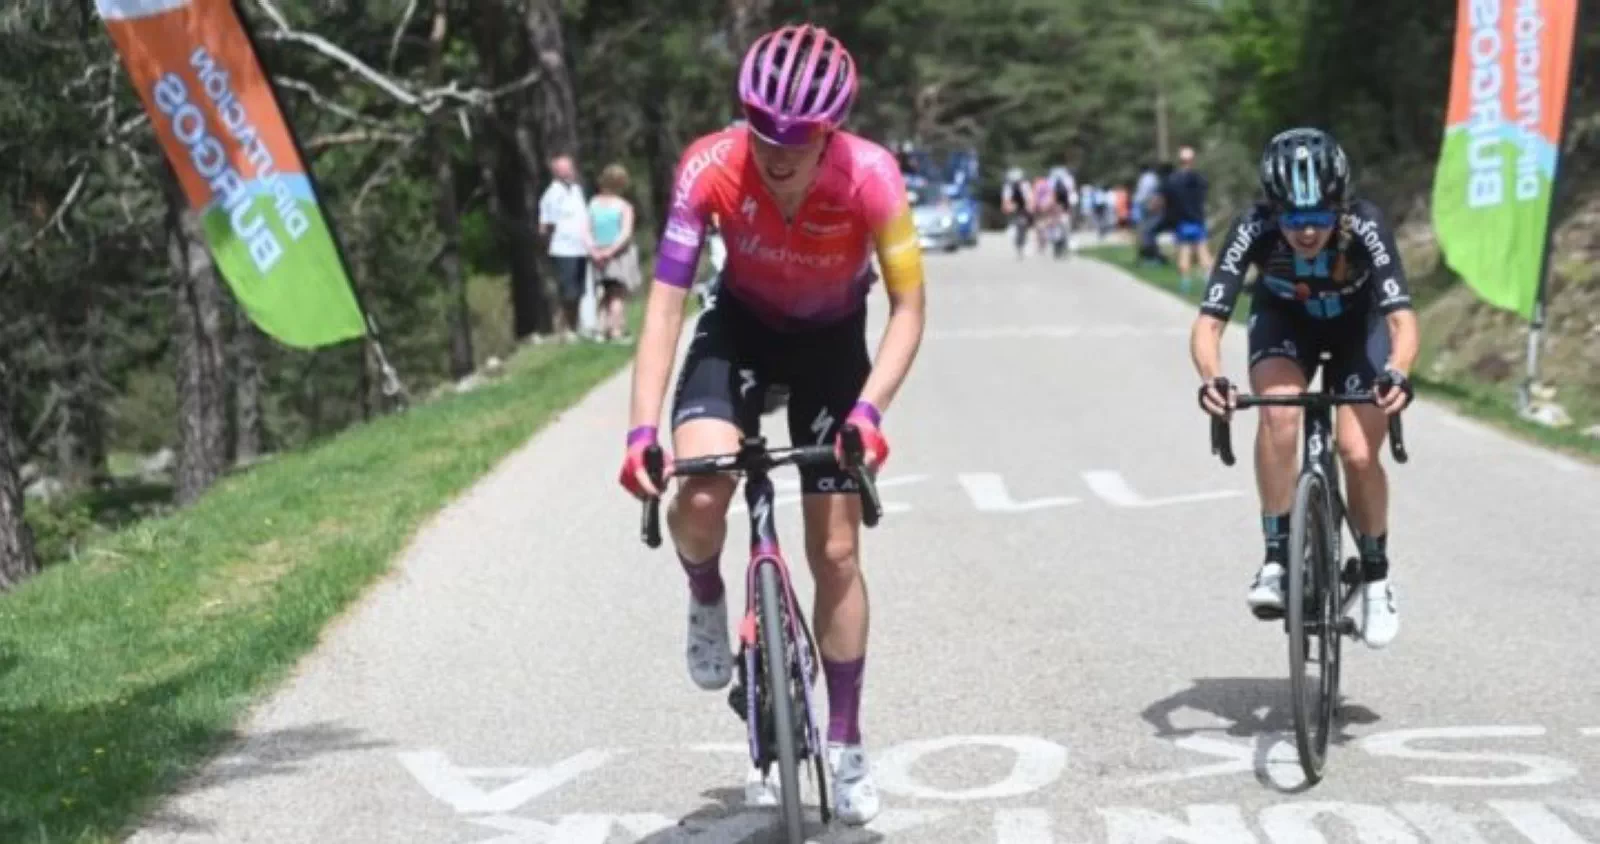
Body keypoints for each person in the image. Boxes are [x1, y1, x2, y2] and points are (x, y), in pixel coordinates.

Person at [616, 23, 926, 824]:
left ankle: (849, 742)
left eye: (799, 139)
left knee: (835, 551)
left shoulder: (873, 179)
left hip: (831, 340)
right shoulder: (709, 169)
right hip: (740, 327)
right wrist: (639, 429)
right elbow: (664, 305)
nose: (778, 153)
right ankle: (705, 588)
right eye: (763, 133)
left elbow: (909, 306)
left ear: (832, 131)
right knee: (702, 491)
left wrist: (869, 411)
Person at [1190, 127, 1418, 650]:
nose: (1307, 233)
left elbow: (1402, 319)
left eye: (1318, 218)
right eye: (1294, 219)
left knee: (1358, 453)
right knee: (1278, 414)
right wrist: (1212, 379)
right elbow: (1209, 323)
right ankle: (1276, 559)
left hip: (1358, 329)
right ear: (1275, 210)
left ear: (1339, 207)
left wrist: (1399, 373)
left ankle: (1378, 579)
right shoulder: (1251, 227)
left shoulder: (1366, 223)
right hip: (1285, 323)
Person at [538, 154, 593, 340]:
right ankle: (564, 328)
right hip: (563, 249)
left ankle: (576, 326)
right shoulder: (552, 195)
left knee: (579, 290)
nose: (570, 171)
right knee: (568, 291)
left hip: (581, 247)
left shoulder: (577, 190)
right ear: (557, 172)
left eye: (570, 167)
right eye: (565, 169)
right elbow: (546, 225)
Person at [587, 163, 641, 342]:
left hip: (598, 254)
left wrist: (594, 251)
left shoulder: (593, 204)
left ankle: (600, 330)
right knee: (617, 294)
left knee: (605, 293)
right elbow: (625, 232)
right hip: (618, 256)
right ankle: (616, 330)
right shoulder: (623, 206)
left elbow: (585, 230)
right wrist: (611, 251)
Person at [1166, 146, 1212, 292]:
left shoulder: (1173, 179)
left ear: (1180, 161)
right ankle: (1208, 283)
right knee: (1203, 251)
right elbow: (1205, 191)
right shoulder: (1199, 178)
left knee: (1184, 251)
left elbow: (1169, 199)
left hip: (1182, 222)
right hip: (1197, 220)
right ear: (1192, 161)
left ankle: (1185, 284)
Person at [1001, 166, 1033, 258]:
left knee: (1023, 224)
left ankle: (1023, 242)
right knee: (1014, 226)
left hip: (1023, 207)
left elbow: (1029, 198)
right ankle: (1016, 242)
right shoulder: (1008, 187)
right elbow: (1005, 200)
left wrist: (1029, 207)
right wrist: (1008, 208)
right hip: (1013, 207)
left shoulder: (1025, 185)